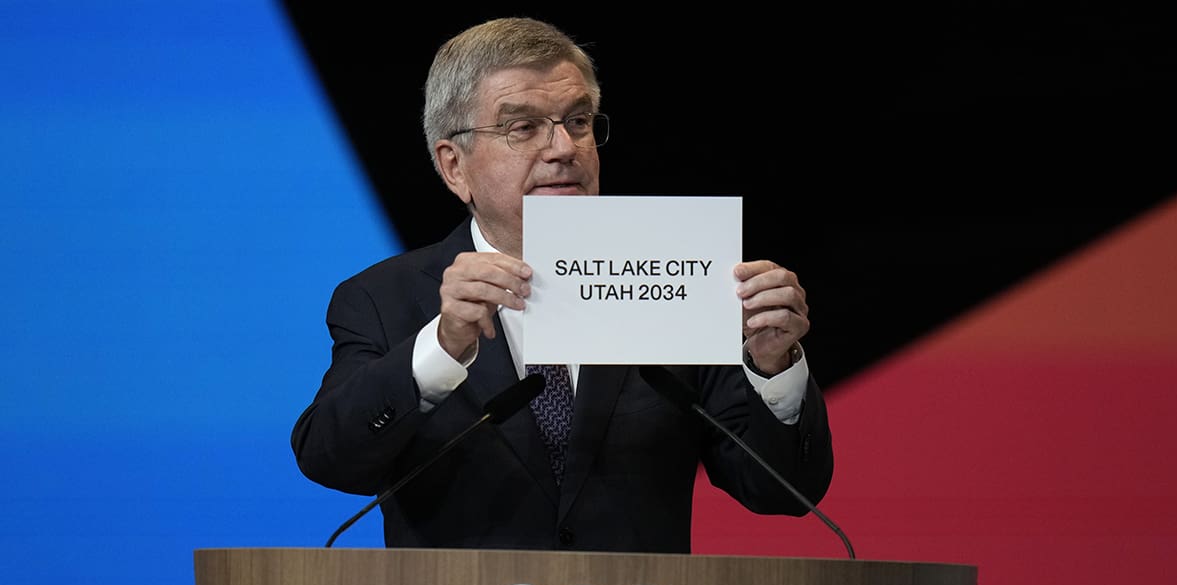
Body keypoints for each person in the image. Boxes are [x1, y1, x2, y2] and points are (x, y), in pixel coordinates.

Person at [291, 17, 834, 553]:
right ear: (454, 166)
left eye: (577, 121)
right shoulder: (383, 299)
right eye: (522, 127)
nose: (563, 148)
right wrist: (441, 345)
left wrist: (772, 366)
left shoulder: (671, 279)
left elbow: (781, 490)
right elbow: (330, 459)